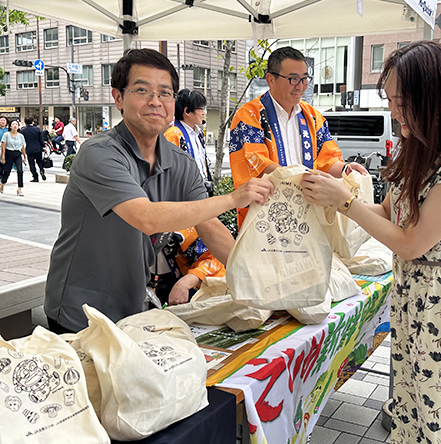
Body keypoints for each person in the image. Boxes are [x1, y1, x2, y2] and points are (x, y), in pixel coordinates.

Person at [301, 41, 441, 443]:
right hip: (414, 301)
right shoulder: (419, 153)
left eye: (401, 100)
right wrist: (344, 193)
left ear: (437, 99)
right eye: (391, 99)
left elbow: (412, 243)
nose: (393, 111)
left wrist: (343, 201)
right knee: (413, 411)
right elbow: (385, 214)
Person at [44, 48, 273, 333]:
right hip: (81, 311)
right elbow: (145, 217)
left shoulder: (181, 163)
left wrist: (259, 279)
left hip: (135, 306)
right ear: (118, 98)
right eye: (142, 90)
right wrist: (233, 198)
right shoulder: (99, 154)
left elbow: (210, 227)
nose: (155, 102)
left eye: (165, 93)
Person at [229, 46, 366, 227]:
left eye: (304, 79)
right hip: (264, 218)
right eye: (293, 79)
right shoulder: (249, 116)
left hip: (307, 215)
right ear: (271, 79)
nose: (300, 86)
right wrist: (304, 177)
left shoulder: (313, 117)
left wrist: (345, 169)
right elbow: (256, 166)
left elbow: (327, 159)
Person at [160, 89, 224, 305]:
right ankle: (190, 284)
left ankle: (193, 285)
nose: (204, 112)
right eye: (201, 109)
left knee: (214, 245)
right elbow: (169, 175)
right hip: (183, 207)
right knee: (211, 249)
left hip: (198, 202)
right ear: (187, 111)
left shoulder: (196, 134)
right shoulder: (173, 135)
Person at [0, 119, 27, 196]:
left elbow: (22, 147)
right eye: (13, 124)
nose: (15, 126)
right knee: (7, 171)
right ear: (10, 126)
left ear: (18, 127)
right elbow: (3, 147)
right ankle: (2, 183)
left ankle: (19, 188)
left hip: (17, 154)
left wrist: (24, 156)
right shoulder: (6, 135)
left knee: (20, 171)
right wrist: (3, 156)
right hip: (9, 153)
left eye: (16, 124)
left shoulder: (21, 136)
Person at [21, 116, 46, 182]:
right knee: (39, 161)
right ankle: (41, 170)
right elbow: (41, 139)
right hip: (38, 148)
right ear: (33, 122)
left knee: (31, 163)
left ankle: (35, 177)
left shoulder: (23, 130)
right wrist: (43, 146)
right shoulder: (37, 129)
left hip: (29, 148)